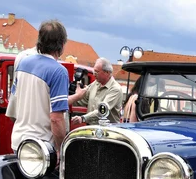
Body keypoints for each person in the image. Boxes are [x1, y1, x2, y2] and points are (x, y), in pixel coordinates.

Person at [7, 19, 70, 153]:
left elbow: (15, 99)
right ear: (62, 44)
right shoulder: (59, 72)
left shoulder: (23, 63)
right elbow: (56, 119)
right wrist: (60, 150)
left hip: (18, 140)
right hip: (42, 147)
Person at [69, 58, 123, 125]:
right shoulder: (95, 84)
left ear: (107, 73)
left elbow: (102, 111)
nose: (94, 75)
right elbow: (83, 100)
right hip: (91, 127)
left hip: (107, 131)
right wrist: (72, 97)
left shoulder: (115, 89)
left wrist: (83, 118)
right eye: (94, 72)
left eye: (96, 72)